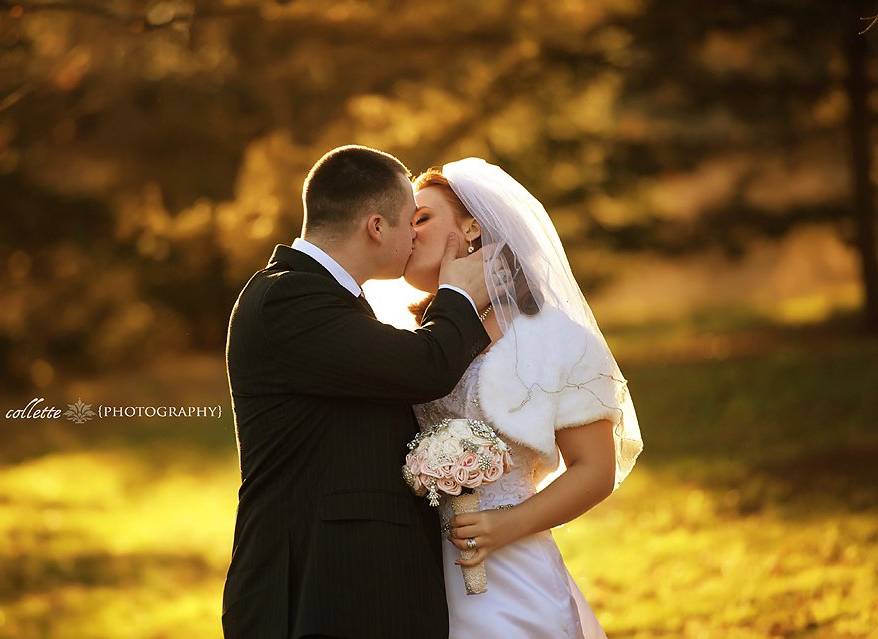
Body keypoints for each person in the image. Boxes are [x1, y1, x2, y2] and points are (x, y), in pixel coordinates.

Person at [221, 145, 494, 639]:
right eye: (412, 221)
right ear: (375, 226)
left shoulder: (327, 300)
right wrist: (458, 294)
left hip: (351, 589)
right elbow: (423, 366)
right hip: (315, 592)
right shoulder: (287, 298)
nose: (416, 235)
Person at [402, 158, 644, 638]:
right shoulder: (418, 343)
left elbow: (595, 469)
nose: (408, 233)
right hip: (420, 576)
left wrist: (505, 526)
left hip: (509, 574)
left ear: (472, 226)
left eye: (422, 217)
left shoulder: (552, 336)